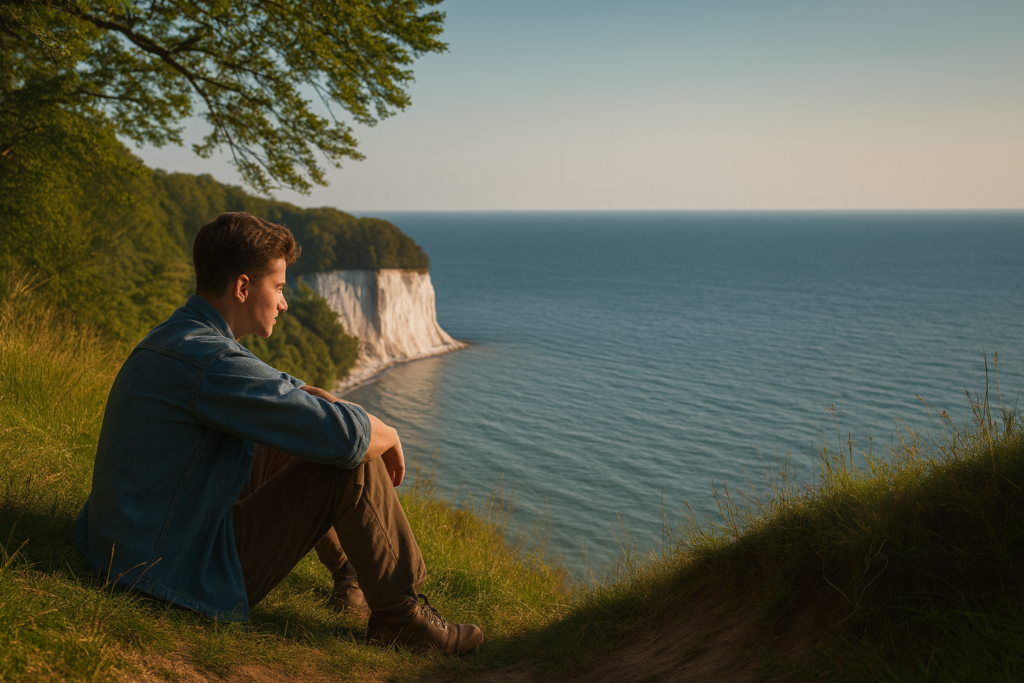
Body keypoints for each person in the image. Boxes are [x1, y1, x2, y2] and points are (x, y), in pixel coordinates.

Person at [76, 212, 483, 655]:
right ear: (244, 287)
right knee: (350, 465)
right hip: (172, 572)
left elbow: (270, 392)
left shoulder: (182, 339)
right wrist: (386, 431)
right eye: (280, 288)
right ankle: (402, 616)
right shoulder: (211, 363)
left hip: (131, 547)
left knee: (293, 430)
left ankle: (351, 575)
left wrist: (315, 398)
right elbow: (346, 439)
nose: (284, 303)